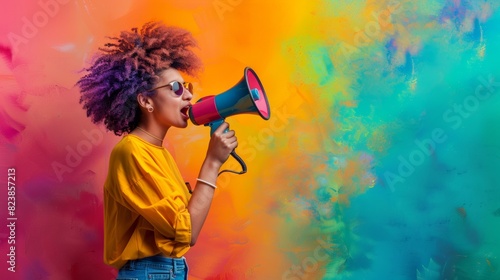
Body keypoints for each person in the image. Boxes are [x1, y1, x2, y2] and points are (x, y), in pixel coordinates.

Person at [77, 21, 237, 280]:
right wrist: (212, 162)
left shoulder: (158, 153)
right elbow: (188, 231)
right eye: (176, 88)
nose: (187, 96)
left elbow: (183, 221)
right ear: (145, 100)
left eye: (188, 88)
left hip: (168, 271)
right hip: (149, 273)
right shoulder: (131, 152)